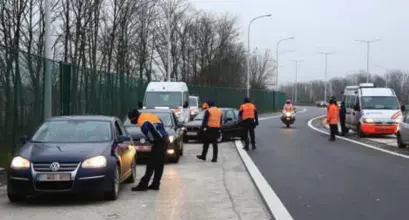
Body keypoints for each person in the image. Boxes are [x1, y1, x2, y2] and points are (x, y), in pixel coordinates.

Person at [127, 109, 169, 191]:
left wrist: (152, 140)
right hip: (165, 138)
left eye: (131, 120)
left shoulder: (141, 121)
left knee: (151, 163)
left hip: (159, 141)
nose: (132, 122)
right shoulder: (149, 115)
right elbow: (160, 122)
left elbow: (147, 131)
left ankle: (143, 185)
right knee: (159, 163)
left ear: (134, 118)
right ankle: (155, 184)